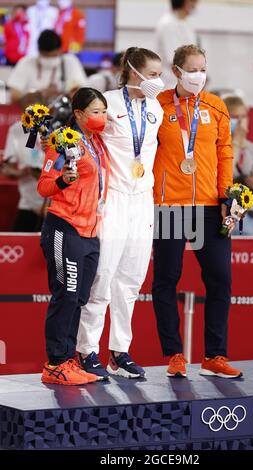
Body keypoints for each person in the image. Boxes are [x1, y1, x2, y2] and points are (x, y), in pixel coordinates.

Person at [152, 44, 242, 379]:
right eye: (192, 69)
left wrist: (226, 197)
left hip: (208, 206)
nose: (198, 75)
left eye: (203, 68)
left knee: (220, 279)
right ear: (175, 71)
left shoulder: (217, 107)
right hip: (171, 206)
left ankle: (215, 355)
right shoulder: (158, 105)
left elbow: (225, 154)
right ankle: (174, 354)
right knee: (167, 279)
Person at [76, 47, 164, 379]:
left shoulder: (155, 106)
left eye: (159, 75)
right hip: (112, 198)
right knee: (103, 275)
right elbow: (80, 131)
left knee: (131, 279)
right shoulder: (108, 102)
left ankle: (119, 351)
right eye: (153, 75)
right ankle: (86, 350)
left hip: (142, 199)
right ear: (132, 72)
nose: (158, 81)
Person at [37, 87, 108, 386]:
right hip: (64, 226)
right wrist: (64, 182)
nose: (102, 117)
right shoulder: (63, 142)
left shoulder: (97, 144)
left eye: (104, 112)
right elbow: (44, 185)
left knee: (78, 298)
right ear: (78, 114)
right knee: (65, 295)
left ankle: (68, 359)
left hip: (91, 231)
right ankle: (55, 363)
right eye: (95, 112)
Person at [8, 29, 87, 105]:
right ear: (38, 51)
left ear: (61, 50)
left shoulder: (70, 62)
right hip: (32, 114)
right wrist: (39, 95)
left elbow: (82, 93)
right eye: (45, 56)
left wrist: (61, 95)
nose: (49, 60)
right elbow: (14, 96)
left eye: (54, 56)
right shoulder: (25, 63)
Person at [223, 95, 253, 236]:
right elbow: (226, 175)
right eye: (235, 117)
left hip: (250, 214)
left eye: (244, 116)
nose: (241, 122)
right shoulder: (217, 147)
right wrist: (236, 142)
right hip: (225, 213)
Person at [1, 98, 45, 232]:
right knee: (21, 241)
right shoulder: (16, 129)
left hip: (54, 203)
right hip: (28, 202)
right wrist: (21, 172)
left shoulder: (56, 127)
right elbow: (6, 167)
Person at [155, 0, 199, 89]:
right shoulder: (168, 24)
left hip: (185, 82)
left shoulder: (186, 23)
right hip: (170, 83)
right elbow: (174, 58)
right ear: (186, 2)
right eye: (193, 2)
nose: (195, 5)